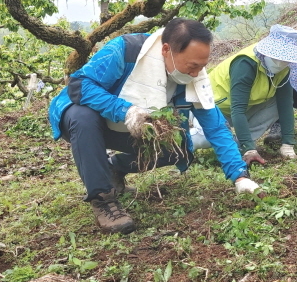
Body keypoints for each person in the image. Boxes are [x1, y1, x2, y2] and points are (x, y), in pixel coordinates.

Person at [48, 18, 260, 235]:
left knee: (179, 147)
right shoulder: (126, 50)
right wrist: (125, 111)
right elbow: (79, 85)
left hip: (133, 128)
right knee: (82, 116)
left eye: (202, 66)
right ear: (167, 50)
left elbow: (215, 126)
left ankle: (114, 168)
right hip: (88, 121)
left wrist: (240, 176)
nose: (196, 73)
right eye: (192, 66)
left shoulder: (191, 79)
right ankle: (103, 199)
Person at [191, 24, 297, 166]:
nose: (279, 63)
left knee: (278, 104)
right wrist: (250, 149)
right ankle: (182, 144)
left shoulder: (284, 69)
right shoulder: (245, 64)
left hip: (244, 108)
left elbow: (286, 105)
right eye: (276, 58)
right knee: (204, 138)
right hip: (211, 107)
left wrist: (288, 143)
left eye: (284, 59)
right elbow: (237, 108)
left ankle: (237, 143)